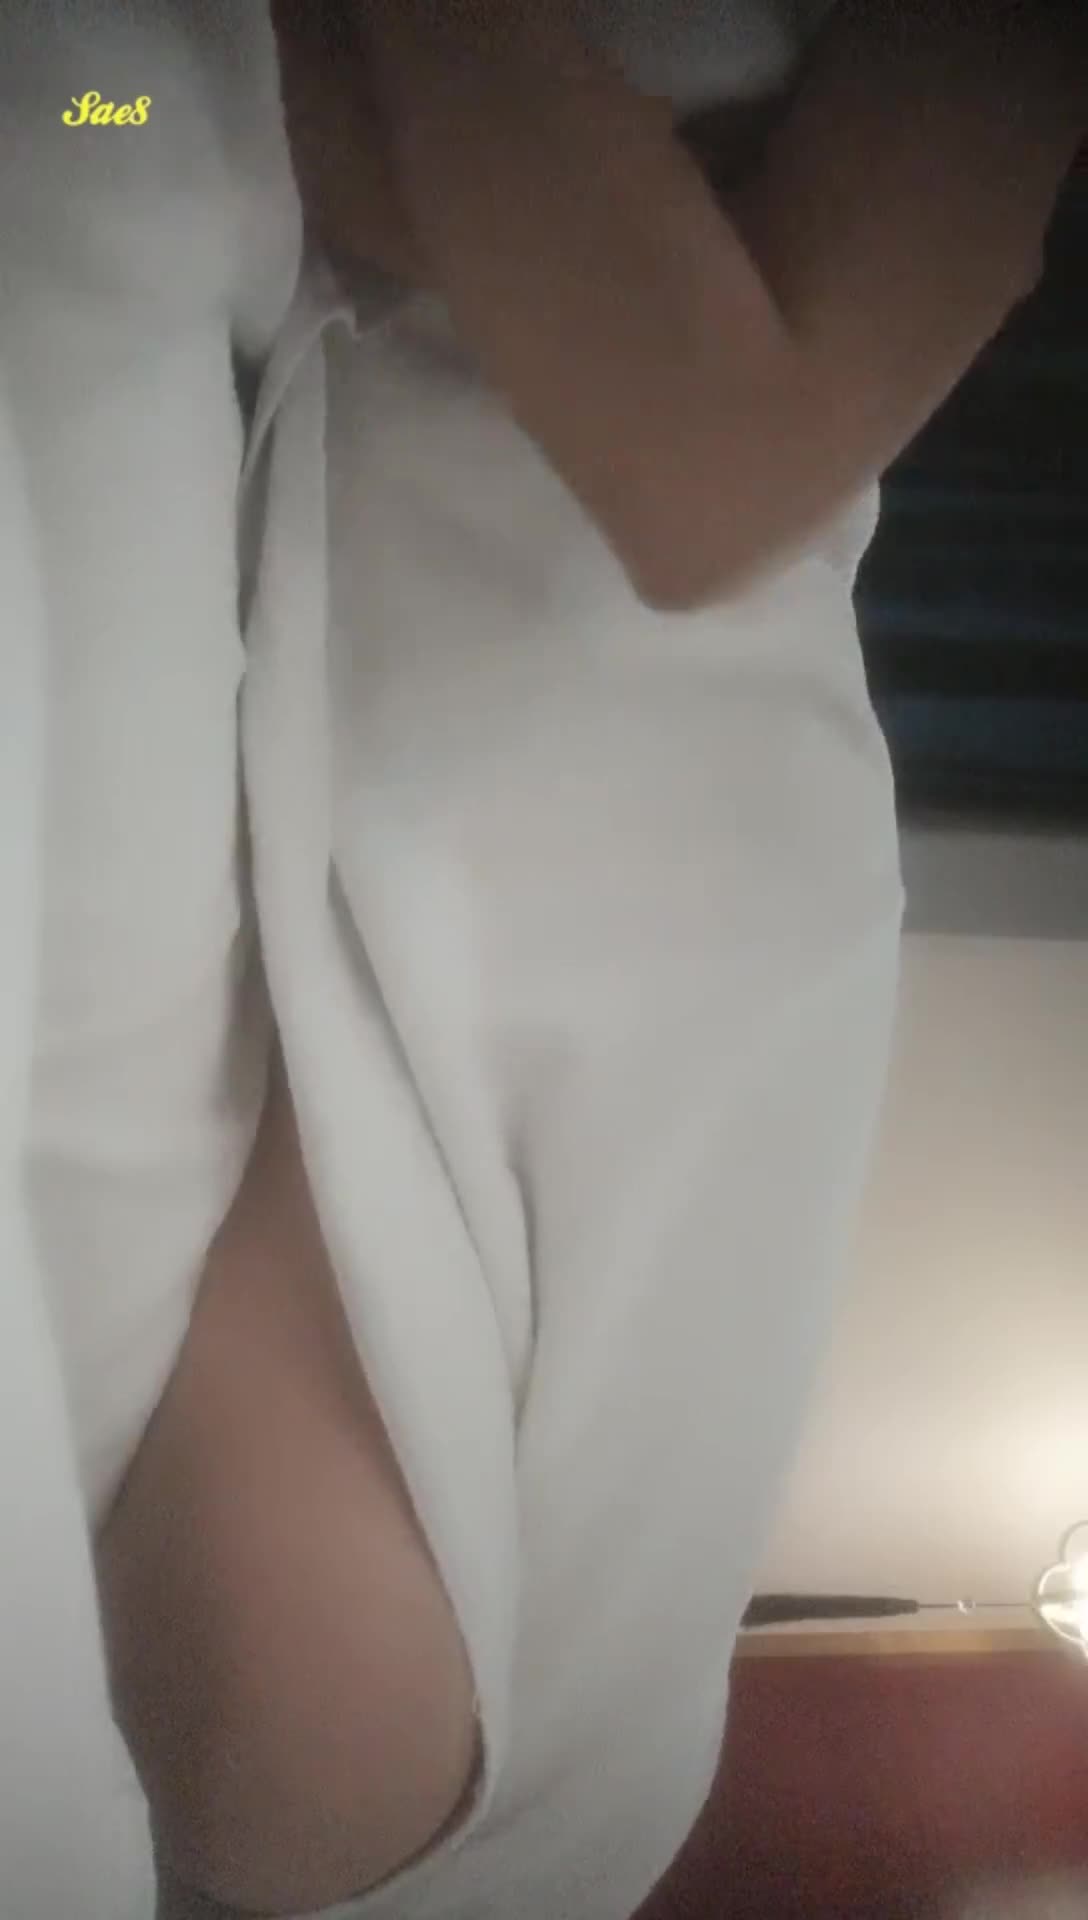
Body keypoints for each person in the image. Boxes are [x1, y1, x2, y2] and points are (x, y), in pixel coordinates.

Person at [0, 4, 1082, 1918]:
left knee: (86, 97)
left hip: (586, 728)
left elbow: (709, 477)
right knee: (93, 91)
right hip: (507, 749)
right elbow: (183, 98)